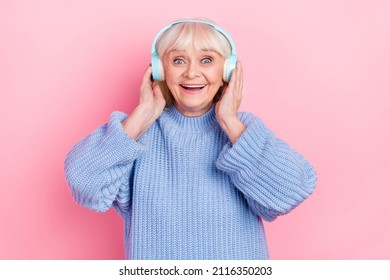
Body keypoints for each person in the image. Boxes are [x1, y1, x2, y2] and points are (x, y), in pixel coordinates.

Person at [64, 18, 317, 260]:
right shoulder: (138, 134)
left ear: (227, 71)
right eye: (178, 61)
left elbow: (293, 190)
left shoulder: (242, 132)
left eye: (206, 60)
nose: (192, 72)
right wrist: (142, 115)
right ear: (161, 70)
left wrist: (229, 120)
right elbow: (83, 182)